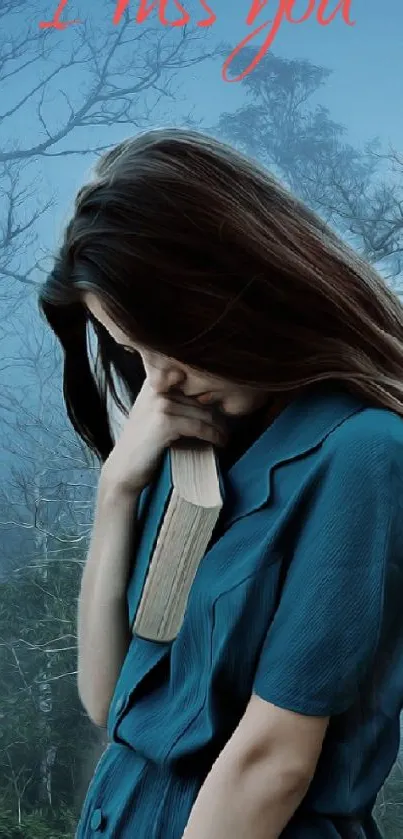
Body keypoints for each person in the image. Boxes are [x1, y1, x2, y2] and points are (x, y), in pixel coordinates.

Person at [37, 127, 403, 839]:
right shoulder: (196, 442)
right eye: (132, 352)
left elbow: (271, 763)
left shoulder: (362, 452)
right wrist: (116, 492)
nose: (157, 380)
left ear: (230, 293)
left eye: (164, 343)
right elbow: (111, 699)